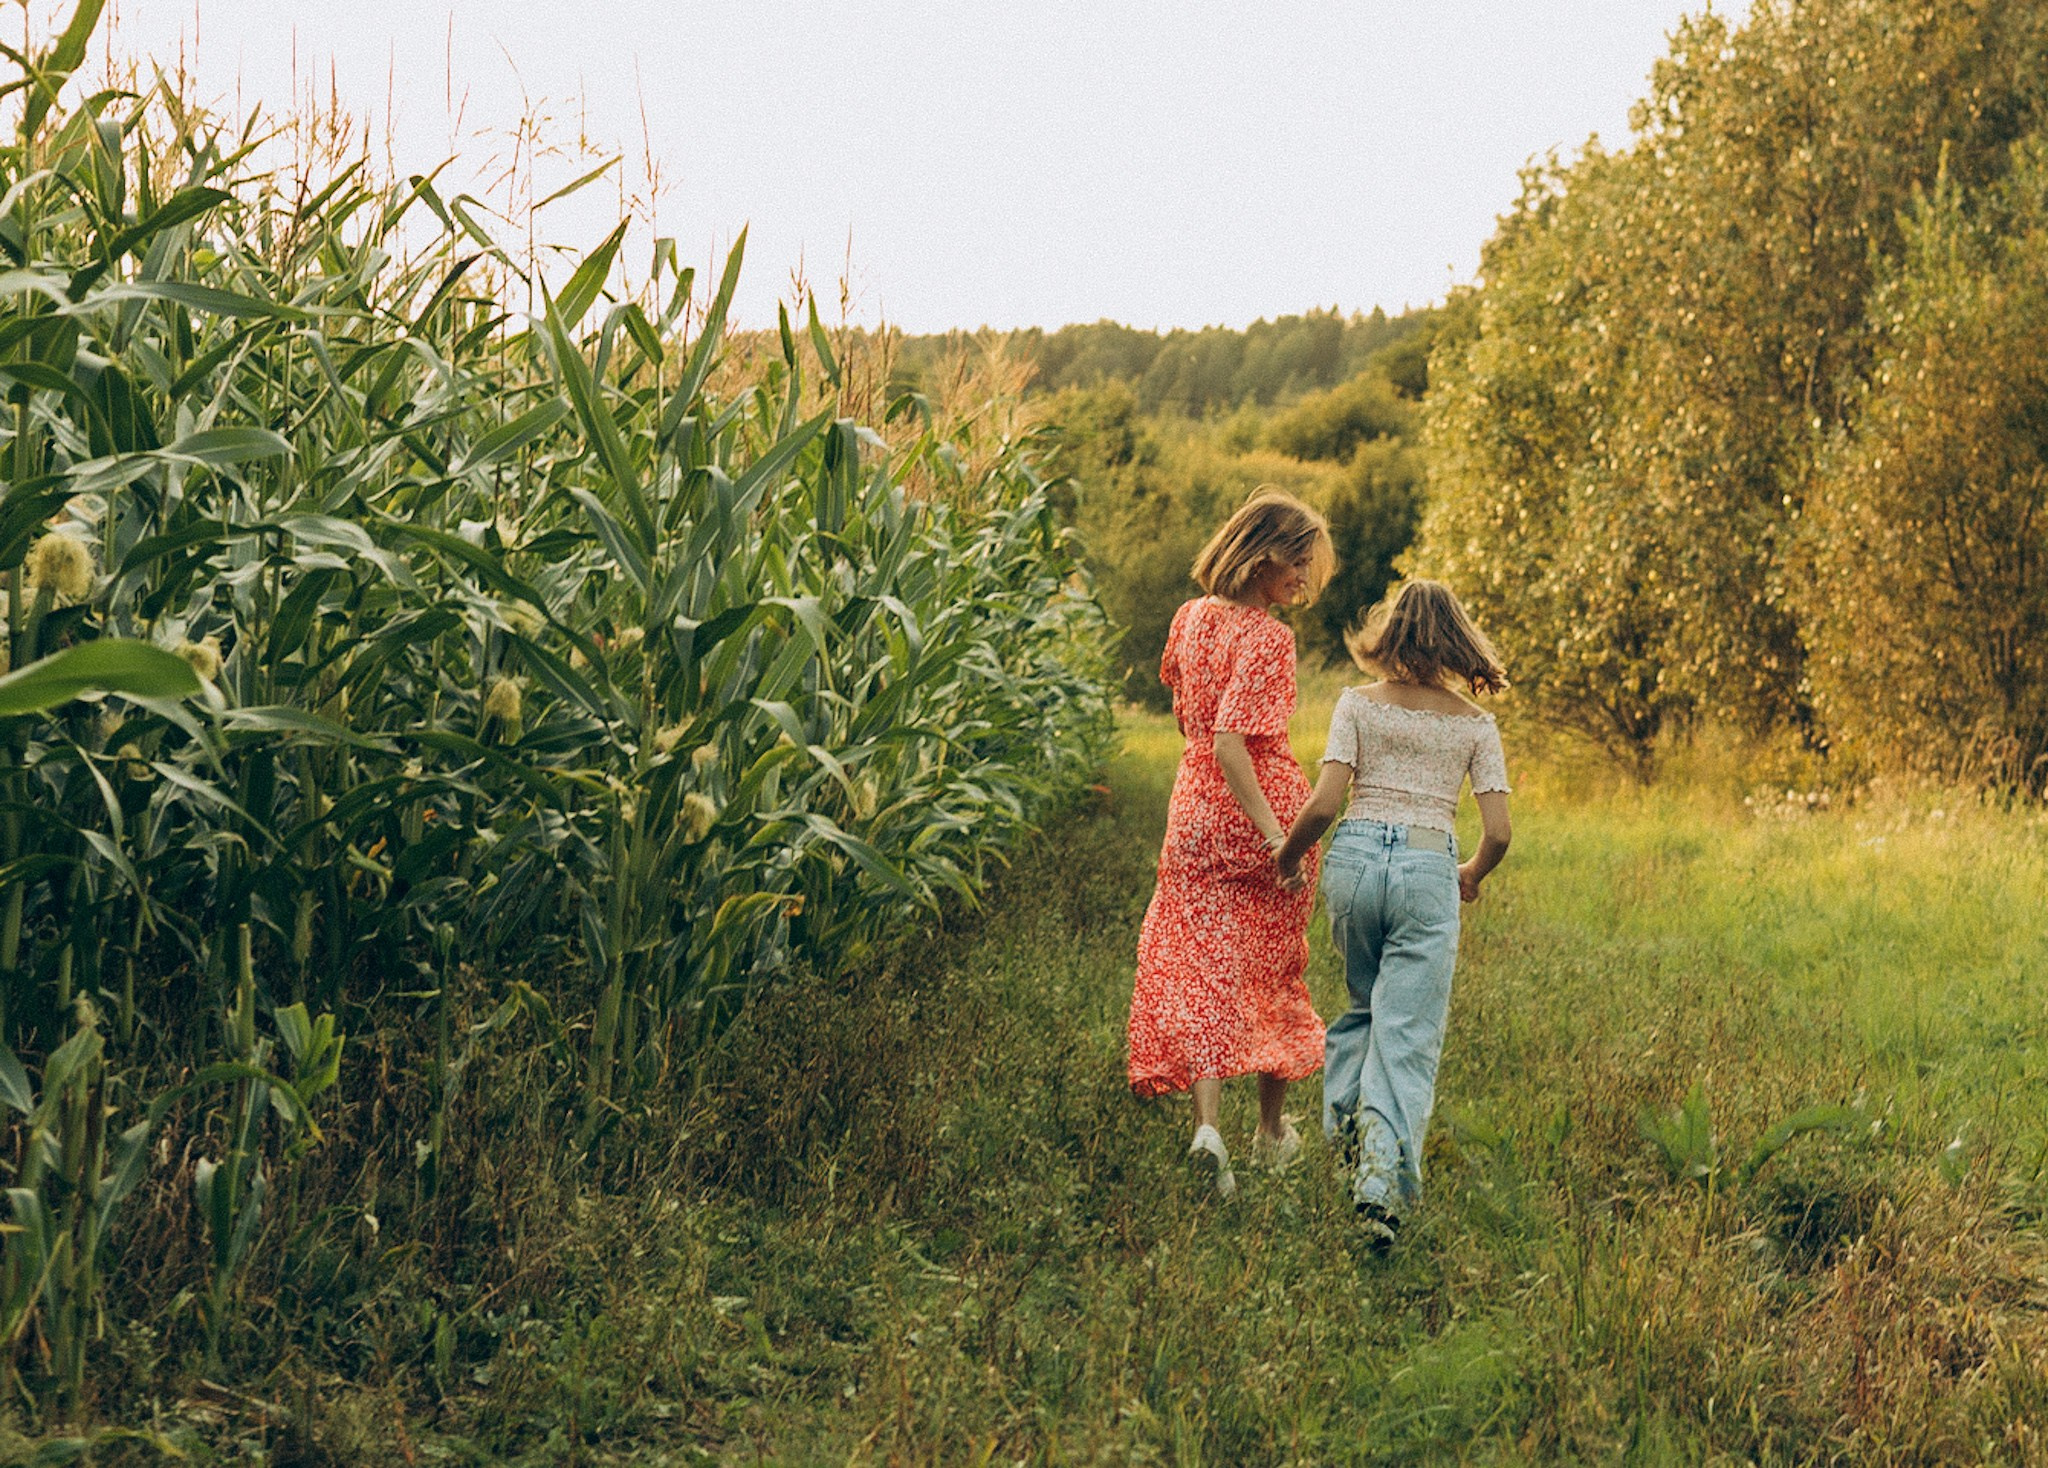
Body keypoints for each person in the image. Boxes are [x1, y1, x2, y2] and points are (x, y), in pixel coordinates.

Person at [1275, 578, 1512, 1249]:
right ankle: (1378, 1187)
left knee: (1363, 1009)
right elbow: (1498, 832)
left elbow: (1324, 804)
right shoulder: (1474, 724)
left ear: (1391, 633)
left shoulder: (1356, 704)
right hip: (1425, 866)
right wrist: (1470, 874)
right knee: (1404, 1034)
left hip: (1353, 863)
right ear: (1456, 640)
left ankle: (1345, 1139)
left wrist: (1288, 857)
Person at [1127, 487, 1336, 1197]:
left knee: (1206, 967)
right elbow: (1231, 743)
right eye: (1300, 563)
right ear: (1265, 558)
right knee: (1271, 966)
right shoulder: (1269, 637)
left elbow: (1191, 720)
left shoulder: (1189, 619)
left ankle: (1208, 1128)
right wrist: (1280, 837)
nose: (1304, 579)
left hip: (1191, 817)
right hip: (1259, 810)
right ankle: (1270, 1132)